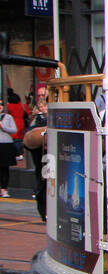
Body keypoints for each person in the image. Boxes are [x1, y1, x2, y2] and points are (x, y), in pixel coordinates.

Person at [24, 88, 48, 220]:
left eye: (44, 106)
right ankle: (43, 211)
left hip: (51, 158)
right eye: (40, 106)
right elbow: (29, 139)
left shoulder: (53, 117)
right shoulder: (36, 119)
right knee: (41, 182)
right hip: (40, 157)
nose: (42, 109)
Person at [0, 99, 17, 198]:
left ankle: (4, 189)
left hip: (6, 144)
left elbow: (14, 130)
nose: (0, 106)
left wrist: (3, 127)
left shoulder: (8, 117)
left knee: (4, 168)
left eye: (1, 104)